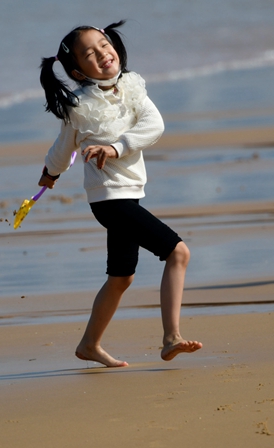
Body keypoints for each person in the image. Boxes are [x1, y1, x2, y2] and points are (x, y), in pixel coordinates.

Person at [38, 20, 203, 366]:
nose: (102, 54)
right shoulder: (79, 105)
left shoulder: (131, 88)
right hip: (109, 201)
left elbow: (154, 125)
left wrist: (117, 147)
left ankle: (89, 345)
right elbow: (62, 147)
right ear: (77, 72)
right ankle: (171, 337)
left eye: (103, 44)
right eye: (89, 54)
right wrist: (50, 174)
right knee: (178, 252)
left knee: (121, 277)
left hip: (129, 195)